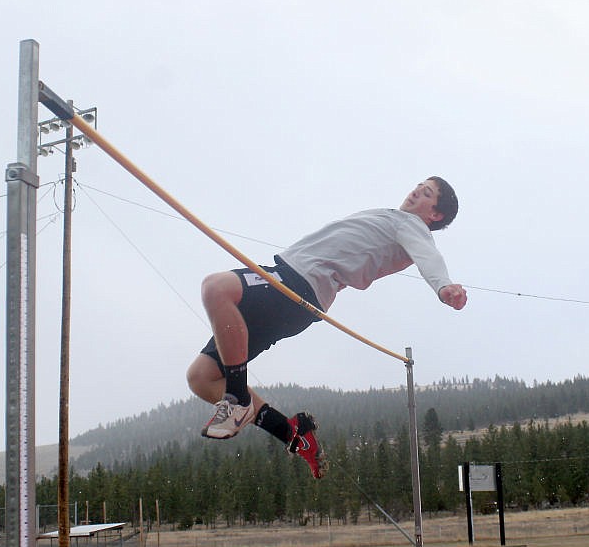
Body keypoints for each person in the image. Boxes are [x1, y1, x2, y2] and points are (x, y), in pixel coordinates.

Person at [186, 176, 467, 479]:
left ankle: (238, 399)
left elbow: (429, 256)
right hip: (290, 289)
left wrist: (444, 287)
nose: (415, 191)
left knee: (216, 287)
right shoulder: (393, 218)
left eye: (426, 194)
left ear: (435, 215)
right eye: (418, 186)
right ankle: (293, 434)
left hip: (297, 284)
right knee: (202, 377)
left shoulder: (413, 227)